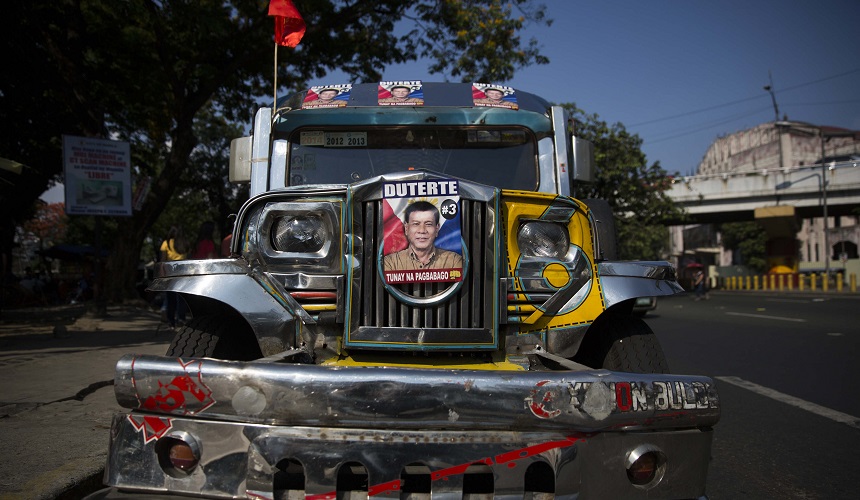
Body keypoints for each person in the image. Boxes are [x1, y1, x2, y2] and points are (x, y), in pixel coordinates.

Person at [383, 201, 463, 271]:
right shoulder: (390, 263)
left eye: (428, 224)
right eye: (416, 224)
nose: (422, 230)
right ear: (406, 228)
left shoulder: (454, 261)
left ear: (437, 228)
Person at [160, 226, 188, 329]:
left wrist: (162, 275)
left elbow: (163, 260)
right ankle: (181, 318)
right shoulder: (184, 244)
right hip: (182, 272)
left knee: (170, 299)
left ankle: (171, 322)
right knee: (181, 298)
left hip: (170, 272)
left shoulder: (166, 243)